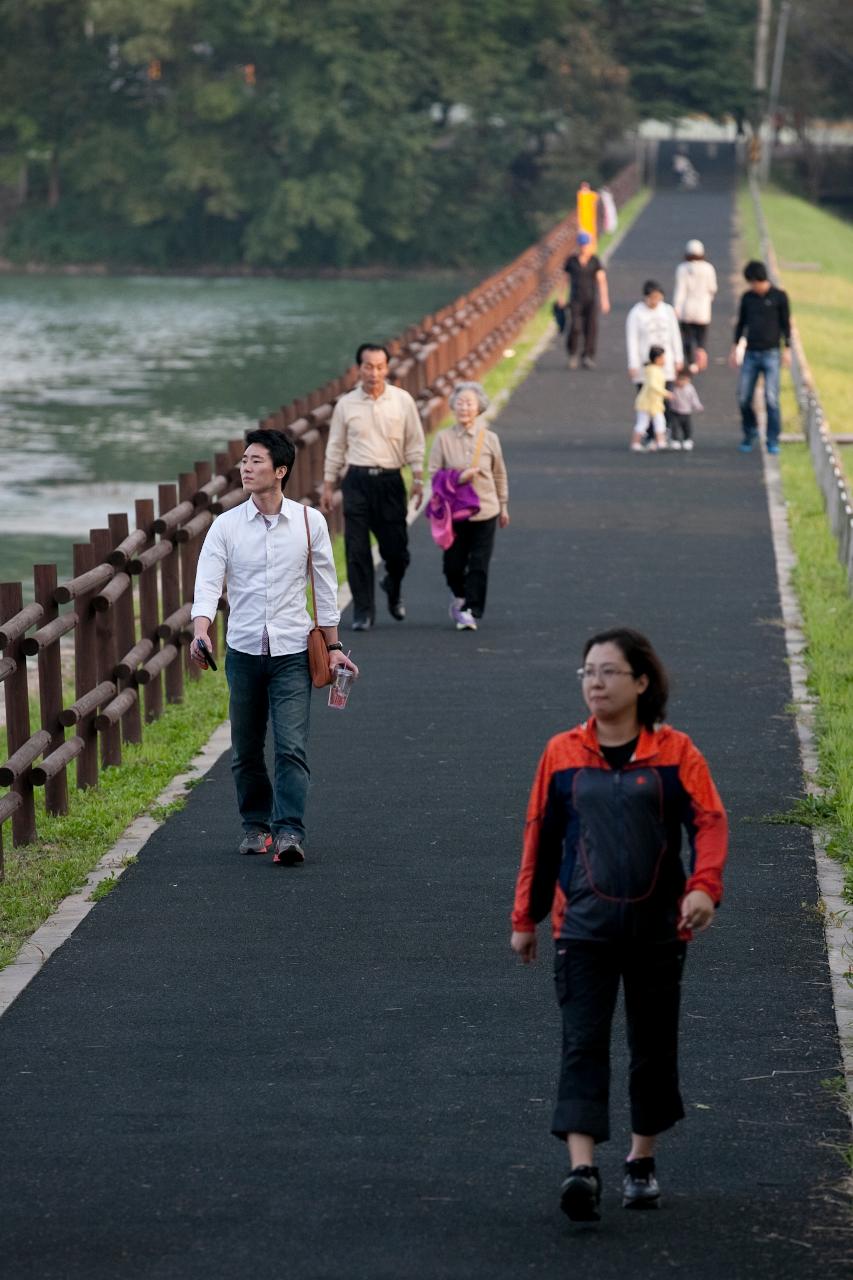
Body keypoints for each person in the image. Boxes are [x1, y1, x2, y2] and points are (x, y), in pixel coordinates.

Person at [510, 627, 728, 1223]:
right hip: (581, 929)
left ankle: (640, 1161)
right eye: (587, 672)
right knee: (582, 1042)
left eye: (608, 671)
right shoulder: (560, 753)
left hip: (660, 927)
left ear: (641, 682)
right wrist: (525, 919)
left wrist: (704, 887)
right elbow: (542, 837)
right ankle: (582, 1169)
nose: (596, 682)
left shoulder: (677, 752)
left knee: (652, 1047)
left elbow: (709, 822)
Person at [190, 428, 358, 865]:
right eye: (244, 461)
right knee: (245, 749)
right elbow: (207, 585)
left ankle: (288, 832)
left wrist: (335, 646)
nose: (245, 468)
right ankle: (255, 824)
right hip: (243, 652)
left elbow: (325, 587)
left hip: (291, 654)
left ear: (280, 470)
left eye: (256, 461)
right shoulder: (225, 526)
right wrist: (201, 630)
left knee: (291, 746)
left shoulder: (309, 522)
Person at [321, 343, 426, 629]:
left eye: (380, 367)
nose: (374, 372)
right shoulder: (346, 404)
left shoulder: (402, 401)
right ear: (359, 369)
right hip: (357, 481)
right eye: (368, 366)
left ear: (387, 369)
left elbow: (415, 442)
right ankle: (363, 612)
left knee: (397, 551)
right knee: (356, 549)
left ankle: (393, 584)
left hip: (391, 481)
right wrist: (328, 484)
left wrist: (417, 479)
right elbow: (336, 446)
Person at [427, 382, 509, 630]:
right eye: (460, 402)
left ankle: (470, 608)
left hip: (486, 510)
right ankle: (459, 595)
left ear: (479, 408)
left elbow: (499, 474)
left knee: (479, 563)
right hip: (455, 514)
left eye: (469, 403)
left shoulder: (490, 439)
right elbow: (433, 472)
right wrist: (456, 478)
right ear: (453, 406)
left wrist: (503, 506)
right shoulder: (443, 438)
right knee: (453, 565)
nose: (464, 407)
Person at [729, 261, 791, 455]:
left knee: (771, 398)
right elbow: (741, 324)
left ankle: (772, 439)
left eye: (753, 282)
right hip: (751, 353)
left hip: (771, 353)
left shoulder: (779, 297)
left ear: (759, 279)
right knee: (743, 396)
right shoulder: (748, 298)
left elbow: (785, 324)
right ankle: (750, 431)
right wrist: (735, 347)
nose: (752, 287)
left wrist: (787, 349)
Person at [626, 281, 683, 442]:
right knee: (648, 400)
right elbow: (632, 339)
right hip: (646, 366)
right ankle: (650, 434)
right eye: (652, 298)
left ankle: (665, 431)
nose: (655, 301)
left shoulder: (667, 311)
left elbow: (675, 336)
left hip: (666, 364)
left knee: (666, 400)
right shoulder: (636, 313)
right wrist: (633, 363)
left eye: (658, 298)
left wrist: (679, 358)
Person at [563, 232, 610, 370]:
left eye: (586, 244)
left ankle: (588, 356)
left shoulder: (594, 261)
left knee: (591, 328)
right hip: (575, 299)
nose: (584, 247)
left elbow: (601, 280)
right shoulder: (571, 261)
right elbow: (564, 279)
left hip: (590, 298)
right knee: (575, 326)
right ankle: (573, 353)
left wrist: (604, 299)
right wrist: (561, 297)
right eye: (582, 245)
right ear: (579, 245)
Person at [673, 240, 717, 373]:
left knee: (687, 337)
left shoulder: (682, 268)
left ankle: (691, 362)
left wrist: (676, 307)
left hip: (686, 308)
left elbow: (680, 290)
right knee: (701, 336)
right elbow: (712, 288)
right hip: (703, 309)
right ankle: (701, 354)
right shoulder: (708, 268)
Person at [631, 346, 671, 452]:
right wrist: (665, 393)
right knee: (643, 423)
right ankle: (636, 443)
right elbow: (653, 385)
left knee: (659, 421)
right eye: (663, 357)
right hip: (647, 403)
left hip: (654, 403)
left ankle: (660, 442)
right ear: (657, 359)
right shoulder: (653, 371)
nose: (664, 360)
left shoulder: (655, 370)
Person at [668, 369, 703, 451]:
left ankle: (687, 440)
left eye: (684, 380)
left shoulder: (690, 388)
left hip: (686, 412)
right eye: (680, 379)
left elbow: (694, 398)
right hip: (675, 411)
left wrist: (697, 406)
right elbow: (669, 397)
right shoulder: (674, 388)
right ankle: (674, 440)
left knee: (687, 427)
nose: (682, 382)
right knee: (674, 426)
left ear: (688, 380)